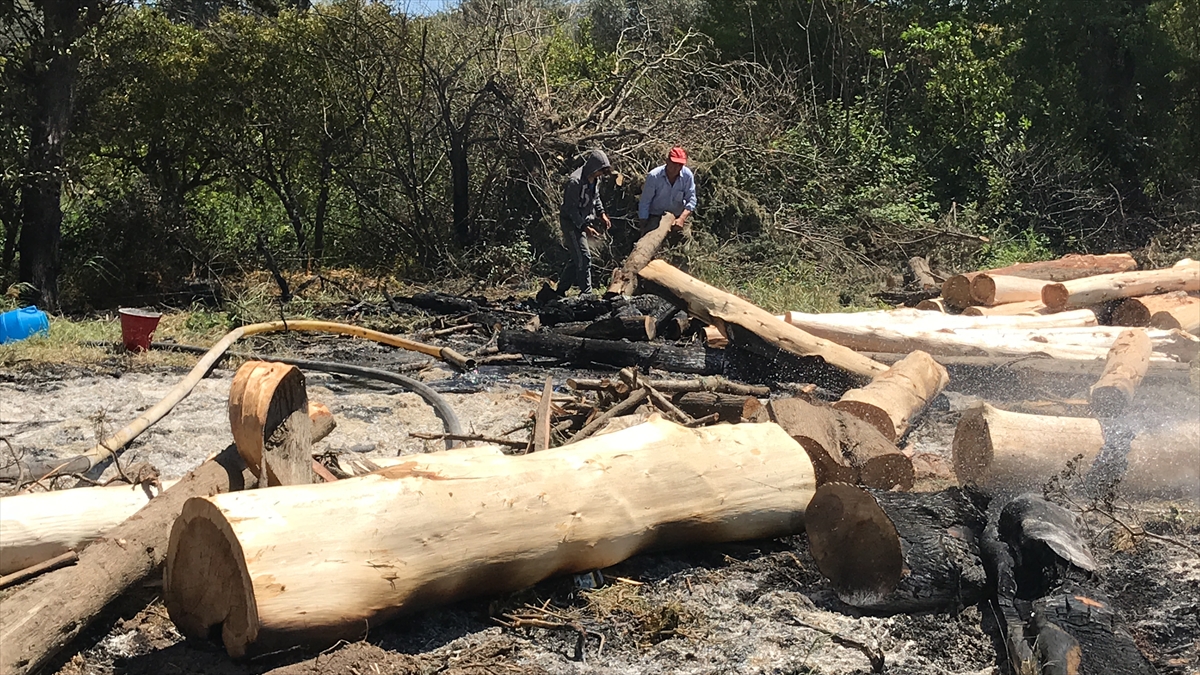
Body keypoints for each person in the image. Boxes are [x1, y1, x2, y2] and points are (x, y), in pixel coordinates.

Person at [557, 149, 613, 295]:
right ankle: (586, 293)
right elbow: (571, 208)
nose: (601, 174)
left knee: (577, 257)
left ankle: (561, 290)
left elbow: (596, 198)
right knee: (584, 257)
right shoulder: (575, 181)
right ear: (594, 168)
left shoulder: (595, 180)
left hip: (585, 220)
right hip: (571, 222)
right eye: (600, 171)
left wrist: (602, 214)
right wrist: (584, 227)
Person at [637, 146, 696, 237]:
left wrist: (682, 219)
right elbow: (645, 201)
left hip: (677, 216)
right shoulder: (654, 176)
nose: (676, 168)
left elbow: (691, 200)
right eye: (674, 163)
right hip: (656, 216)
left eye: (680, 165)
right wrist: (644, 224)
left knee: (685, 238)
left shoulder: (687, 176)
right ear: (667, 161)